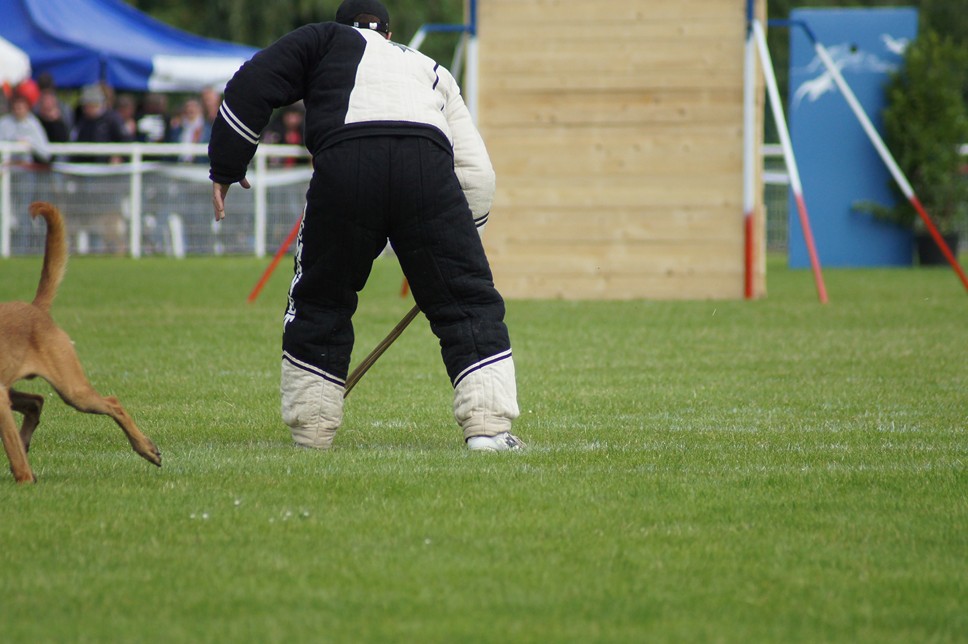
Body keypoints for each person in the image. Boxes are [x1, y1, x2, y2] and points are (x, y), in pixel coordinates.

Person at [209, 0, 523, 452]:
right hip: (427, 165)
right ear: (390, 36)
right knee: (468, 302)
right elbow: (477, 173)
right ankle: (489, 433)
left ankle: (311, 435)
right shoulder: (428, 66)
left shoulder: (321, 40)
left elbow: (251, 82)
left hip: (346, 164)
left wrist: (226, 164)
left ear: (344, 27)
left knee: (321, 300)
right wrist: (462, 248)